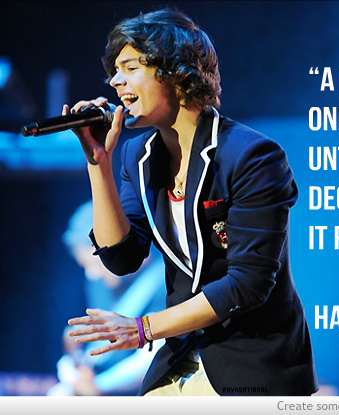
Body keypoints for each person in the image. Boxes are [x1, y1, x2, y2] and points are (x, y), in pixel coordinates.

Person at [66, 6, 318, 396]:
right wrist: (98, 163)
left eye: (130, 67)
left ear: (176, 72)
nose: (115, 81)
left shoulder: (252, 156)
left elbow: (248, 284)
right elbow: (121, 258)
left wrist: (143, 328)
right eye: (114, 71)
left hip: (250, 363)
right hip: (179, 359)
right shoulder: (137, 156)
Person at [47, 201, 165, 396]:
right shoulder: (98, 283)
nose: (91, 274)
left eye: (94, 264)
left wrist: (100, 386)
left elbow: (152, 359)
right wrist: (72, 361)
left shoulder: (164, 280)